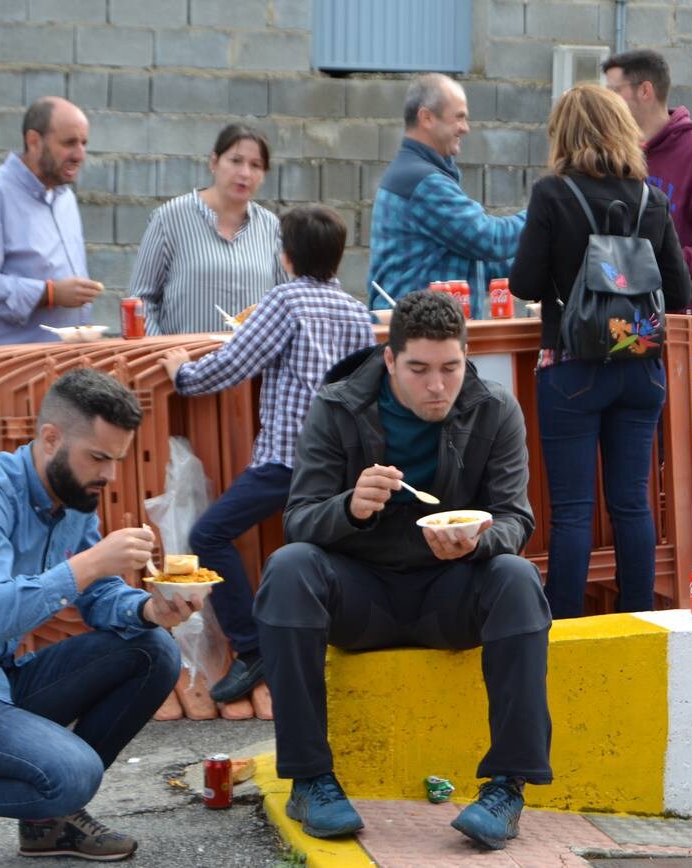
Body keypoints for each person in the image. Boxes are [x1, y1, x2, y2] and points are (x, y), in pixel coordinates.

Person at [253, 290, 552, 850]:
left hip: (451, 594)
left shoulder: (495, 408)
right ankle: (310, 778)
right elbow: (298, 520)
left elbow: (516, 518)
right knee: (289, 569)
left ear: (467, 358)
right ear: (390, 361)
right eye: (418, 369)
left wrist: (478, 542)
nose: (437, 386)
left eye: (450, 368)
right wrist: (349, 508)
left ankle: (507, 787)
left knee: (517, 578)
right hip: (362, 597)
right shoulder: (338, 406)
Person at [0, 369, 195, 867]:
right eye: (99, 457)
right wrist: (90, 563)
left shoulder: (73, 499)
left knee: (152, 650)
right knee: (72, 774)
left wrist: (149, 608)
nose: (109, 474)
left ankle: (48, 823)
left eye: (117, 460)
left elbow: (102, 595)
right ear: (50, 438)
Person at [158, 206, 376, 715]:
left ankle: (252, 649)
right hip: (338, 469)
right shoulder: (355, 310)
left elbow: (234, 362)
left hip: (284, 463)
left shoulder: (284, 300)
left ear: (286, 256)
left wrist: (181, 374)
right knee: (320, 554)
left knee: (208, 535)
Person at [508, 83, 690, 619]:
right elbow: (678, 292)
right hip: (642, 368)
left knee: (571, 512)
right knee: (632, 502)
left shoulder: (552, 193)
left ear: (562, 133)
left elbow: (522, 283)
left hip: (572, 368)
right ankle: (638, 621)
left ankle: (563, 629)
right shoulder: (650, 197)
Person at [368, 73, 526, 318]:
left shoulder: (419, 175)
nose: (465, 128)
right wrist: (543, 212)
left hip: (426, 333)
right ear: (427, 117)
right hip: (420, 338)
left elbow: (482, 262)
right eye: (459, 118)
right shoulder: (422, 182)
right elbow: (490, 239)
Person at [0, 97, 104, 347]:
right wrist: (49, 293)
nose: (79, 155)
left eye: (84, 143)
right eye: (69, 143)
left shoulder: (65, 198)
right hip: (10, 370)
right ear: (34, 141)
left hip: (63, 364)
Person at [602, 49, 692, 318]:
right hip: (619, 322)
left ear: (645, 90)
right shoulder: (614, 155)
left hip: (684, 325)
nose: (607, 102)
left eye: (614, 91)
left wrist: (672, 264)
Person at [129, 123, 284, 335]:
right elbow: (140, 301)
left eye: (256, 165)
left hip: (251, 366)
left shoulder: (271, 227)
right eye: (236, 161)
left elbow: (284, 301)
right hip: (181, 363)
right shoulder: (170, 218)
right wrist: (163, 356)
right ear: (214, 162)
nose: (245, 173)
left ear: (264, 174)